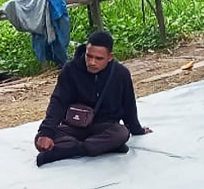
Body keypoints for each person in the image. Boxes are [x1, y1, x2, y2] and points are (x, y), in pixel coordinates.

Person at [34, 31, 151, 167]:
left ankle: (73, 149)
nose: (92, 62)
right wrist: (46, 132)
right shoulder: (71, 69)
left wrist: (137, 129)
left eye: (98, 58)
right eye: (88, 56)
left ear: (110, 57)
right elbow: (58, 101)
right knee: (40, 139)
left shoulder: (121, 74)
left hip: (104, 126)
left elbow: (128, 105)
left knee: (121, 133)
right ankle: (101, 147)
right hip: (74, 125)